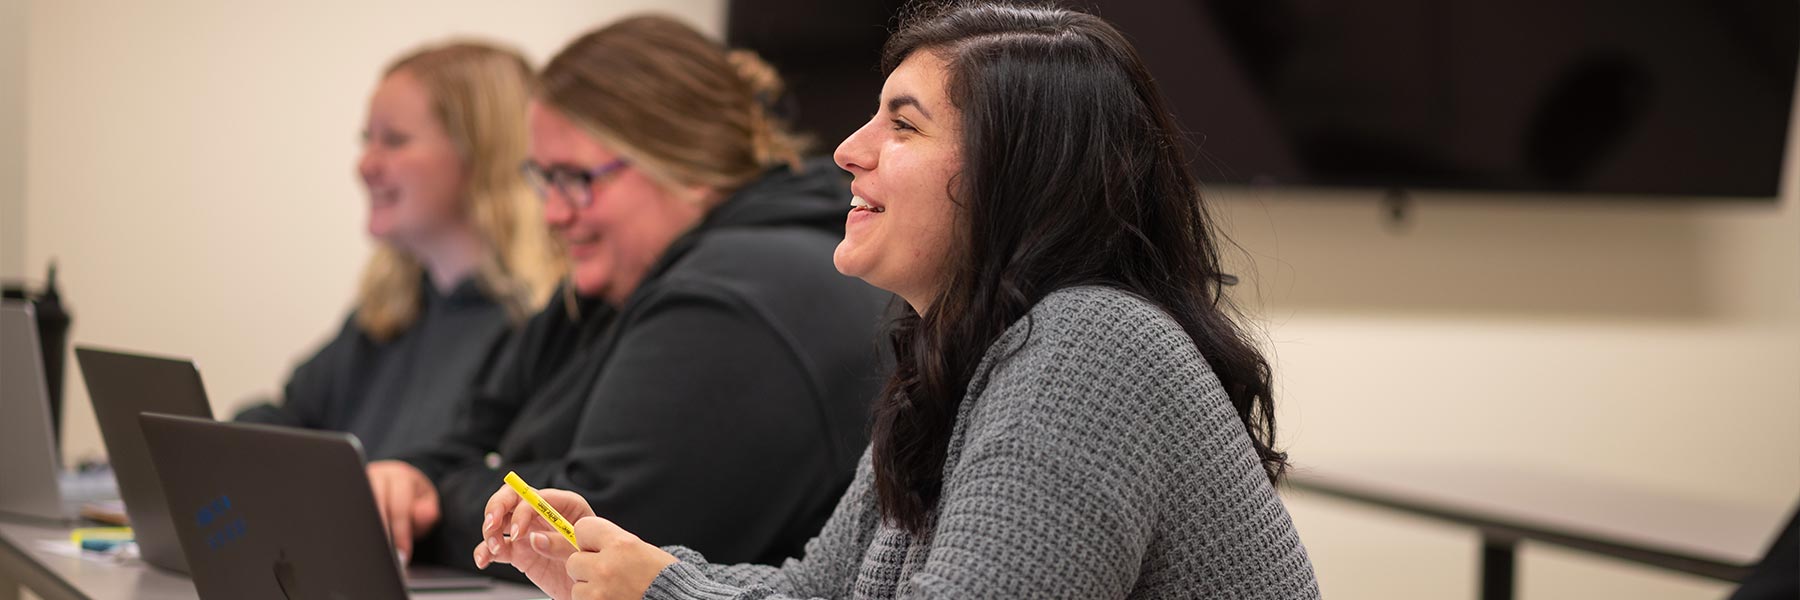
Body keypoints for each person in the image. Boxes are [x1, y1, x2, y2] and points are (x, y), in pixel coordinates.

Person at [475, 3, 1322, 599]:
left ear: (1016, 173)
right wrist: (625, 566)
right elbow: (814, 594)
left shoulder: (1088, 347)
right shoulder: (957, 354)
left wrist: (660, 594)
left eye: (902, 125)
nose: (847, 150)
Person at [365, 15, 893, 573]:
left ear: (688, 164)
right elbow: (464, 435)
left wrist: (433, 502)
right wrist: (414, 477)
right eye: (543, 179)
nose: (553, 213)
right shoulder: (611, 283)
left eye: (577, 179)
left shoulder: (739, 296)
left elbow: (596, 540)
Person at [236, 42, 560, 461]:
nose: (365, 165)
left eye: (394, 140)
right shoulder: (388, 312)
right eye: (367, 140)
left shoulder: (542, 328)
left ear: (481, 155)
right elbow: (290, 420)